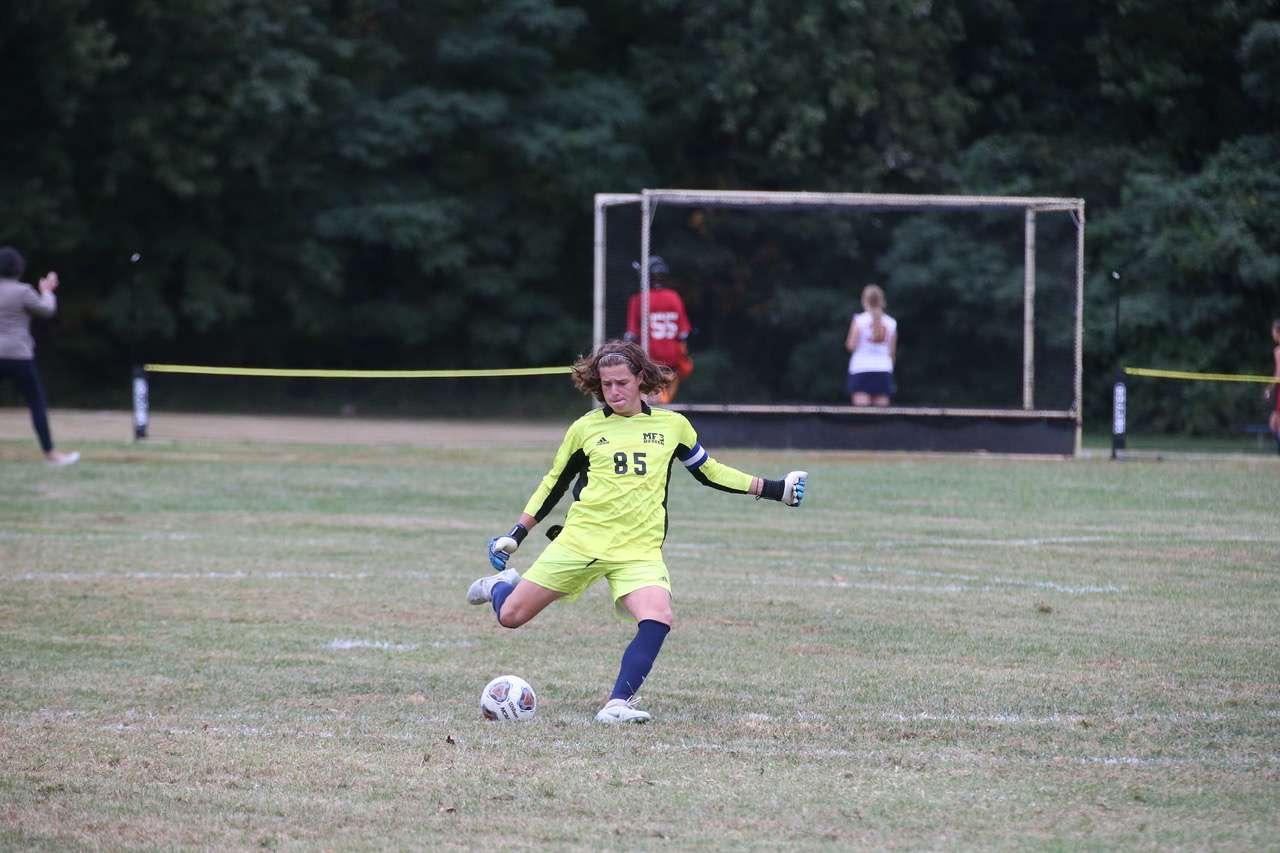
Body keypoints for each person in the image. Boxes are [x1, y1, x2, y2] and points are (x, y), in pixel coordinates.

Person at [467, 339, 807, 725]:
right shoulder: (585, 429)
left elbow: (709, 472)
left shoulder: (672, 426)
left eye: (621, 383)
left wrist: (773, 488)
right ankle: (499, 585)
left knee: (658, 616)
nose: (613, 391)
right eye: (606, 384)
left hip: (638, 550)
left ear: (641, 379)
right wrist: (517, 533)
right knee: (510, 617)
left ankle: (617, 703)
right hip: (580, 541)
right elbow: (554, 484)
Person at [0, 246, 79, 466]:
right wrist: (47, 290)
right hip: (19, 356)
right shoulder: (23, 291)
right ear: (19, 268)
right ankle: (50, 454)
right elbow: (46, 310)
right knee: (36, 403)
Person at [624, 256, 693, 404]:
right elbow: (683, 333)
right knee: (672, 378)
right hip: (673, 354)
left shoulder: (639, 299)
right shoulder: (674, 297)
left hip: (650, 354)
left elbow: (631, 334)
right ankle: (664, 401)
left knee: (651, 389)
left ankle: (660, 402)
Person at [844, 283, 897, 407]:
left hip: (861, 368)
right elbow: (892, 352)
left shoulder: (859, 320)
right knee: (881, 416)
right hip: (883, 368)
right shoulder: (891, 322)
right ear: (882, 300)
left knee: (861, 415)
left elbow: (850, 345)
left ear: (864, 300)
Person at [1266, 319, 1280, 455]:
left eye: (1273, 331)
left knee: (1274, 423)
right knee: (1274, 423)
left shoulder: (1278, 351)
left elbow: (1278, 373)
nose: (1272, 334)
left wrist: (1269, 388)